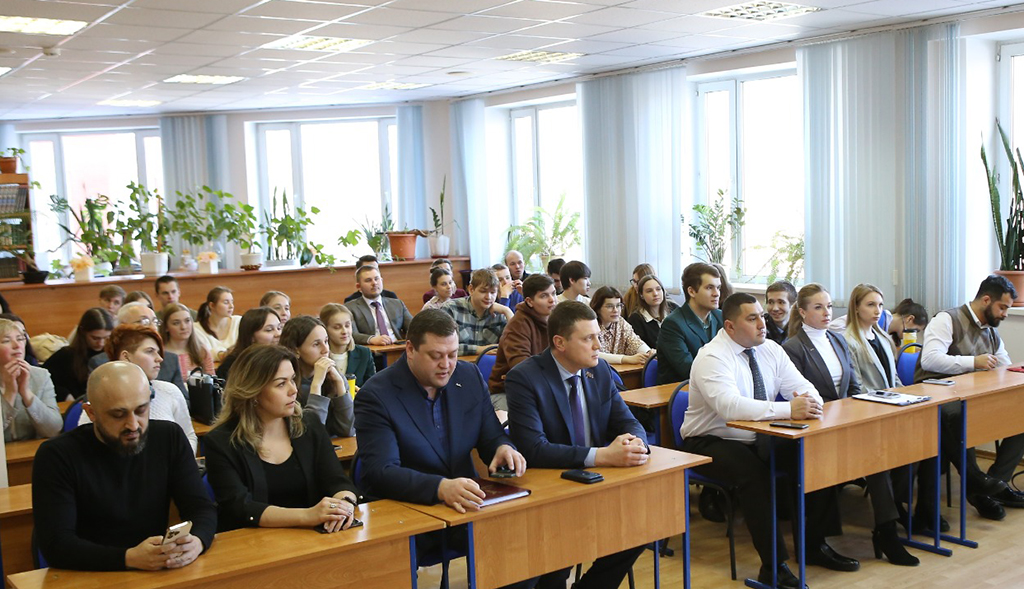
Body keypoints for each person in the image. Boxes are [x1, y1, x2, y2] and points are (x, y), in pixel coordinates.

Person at [353, 310, 532, 589]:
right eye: (436, 356)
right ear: (410, 349)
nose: (446, 365)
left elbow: (490, 435)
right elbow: (381, 472)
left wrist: (502, 447)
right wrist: (440, 488)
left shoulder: (468, 375)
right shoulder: (376, 395)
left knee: (530, 550)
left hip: (465, 505)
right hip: (405, 512)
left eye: (452, 354)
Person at [682, 293, 843, 588]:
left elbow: (803, 386)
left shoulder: (770, 349)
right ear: (730, 326)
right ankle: (774, 567)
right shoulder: (712, 356)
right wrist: (789, 409)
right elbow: (730, 408)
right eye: (752, 318)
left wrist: (812, 401)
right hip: (711, 439)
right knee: (754, 475)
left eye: (762, 316)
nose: (762, 324)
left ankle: (814, 545)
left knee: (815, 455)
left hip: (761, 435)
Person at [505, 301, 649, 589]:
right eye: (588, 339)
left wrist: (635, 444)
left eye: (598, 336)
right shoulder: (525, 377)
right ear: (560, 343)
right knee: (554, 569)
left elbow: (628, 422)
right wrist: (602, 456)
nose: (598, 345)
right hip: (550, 490)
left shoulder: (601, 371)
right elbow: (534, 448)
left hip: (596, 484)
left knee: (640, 527)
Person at [33, 362, 216, 571]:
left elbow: (201, 508)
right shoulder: (56, 455)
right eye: (118, 415)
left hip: (155, 569)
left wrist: (197, 541)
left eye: (141, 410)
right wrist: (128, 558)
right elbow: (57, 545)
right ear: (91, 413)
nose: (133, 425)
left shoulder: (169, 437)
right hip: (88, 574)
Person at [783, 284, 917, 567]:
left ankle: (887, 531)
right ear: (802, 312)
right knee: (873, 456)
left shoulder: (837, 339)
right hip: (816, 426)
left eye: (829, 307)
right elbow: (797, 394)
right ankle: (873, 535)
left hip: (845, 421)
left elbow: (854, 386)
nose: (826, 312)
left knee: (880, 455)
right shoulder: (793, 347)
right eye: (818, 307)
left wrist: (860, 413)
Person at [205, 345, 359, 533]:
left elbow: (337, 481)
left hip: (313, 537)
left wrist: (345, 504)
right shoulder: (220, 442)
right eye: (281, 384)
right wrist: (308, 515)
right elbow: (240, 507)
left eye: (292, 379)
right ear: (253, 391)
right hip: (253, 540)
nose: (293, 390)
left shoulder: (309, 424)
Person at [915, 274, 1024, 521]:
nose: (1005, 314)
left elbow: (1003, 364)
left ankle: (993, 485)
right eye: (1002, 307)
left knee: (1021, 414)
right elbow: (930, 359)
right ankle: (977, 483)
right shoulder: (947, 319)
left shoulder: (991, 330)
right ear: (986, 300)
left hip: (972, 398)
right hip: (937, 396)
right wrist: (973, 362)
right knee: (958, 415)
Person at [78, 325, 198, 455]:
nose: (159, 358)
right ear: (126, 357)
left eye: (158, 352)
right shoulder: (101, 395)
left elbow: (189, 436)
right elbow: (85, 447)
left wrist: (179, 462)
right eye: (150, 351)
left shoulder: (169, 391)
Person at [88, 302, 187, 398]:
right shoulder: (101, 363)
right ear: (123, 326)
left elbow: (184, 401)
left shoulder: (170, 360)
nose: (153, 327)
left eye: (155, 321)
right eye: (144, 321)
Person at [280, 316, 354, 438]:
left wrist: (340, 385)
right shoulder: (287, 385)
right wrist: (316, 385)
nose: (325, 350)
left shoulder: (334, 377)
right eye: (316, 344)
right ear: (296, 350)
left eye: (326, 341)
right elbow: (311, 436)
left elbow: (348, 430)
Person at [489, 274, 557, 403]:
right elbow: (523, 368)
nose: (552, 300)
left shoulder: (557, 320)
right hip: (508, 391)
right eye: (544, 296)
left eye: (553, 294)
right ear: (529, 301)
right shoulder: (517, 325)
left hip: (546, 385)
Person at [656, 262, 722, 385]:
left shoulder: (721, 317)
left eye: (718, 288)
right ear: (691, 291)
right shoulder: (673, 324)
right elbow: (688, 369)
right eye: (709, 288)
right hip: (682, 391)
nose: (716, 293)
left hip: (717, 385)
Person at [0, 318, 61, 442]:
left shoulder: (40, 375)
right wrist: (9, 394)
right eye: (6, 341)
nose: (17, 345)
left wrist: (26, 393)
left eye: (20, 339)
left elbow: (54, 429)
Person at [44, 307, 115, 401]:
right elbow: (43, 379)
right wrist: (64, 394)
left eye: (106, 338)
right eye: (95, 338)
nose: (101, 343)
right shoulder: (66, 355)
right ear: (83, 332)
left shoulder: (114, 353)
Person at [440, 268, 513, 356]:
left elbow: (516, 345)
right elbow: (442, 346)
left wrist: (507, 311)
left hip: (488, 364)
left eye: (493, 292)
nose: (488, 297)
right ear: (471, 289)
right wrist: (479, 349)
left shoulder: (500, 313)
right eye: (483, 291)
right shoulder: (451, 308)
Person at [347, 265, 413, 345]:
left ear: (381, 281)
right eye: (368, 280)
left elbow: (414, 327)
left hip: (398, 347)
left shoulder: (397, 304)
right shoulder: (350, 308)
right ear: (359, 287)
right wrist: (371, 339)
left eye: (376, 279)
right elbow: (351, 333)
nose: (374, 283)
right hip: (372, 349)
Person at [590, 286, 653, 365]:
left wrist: (648, 353)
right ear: (598, 308)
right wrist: (625, 359)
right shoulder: (590, 325)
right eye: (609, 306)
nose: (615, 310)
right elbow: (592, 353)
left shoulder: (620, 322)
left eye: (618, 305)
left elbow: (634, 341)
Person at [217, 307, 282, 381]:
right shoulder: (232, 365)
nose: (278, 334)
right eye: (269, 330)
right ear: (251, 337)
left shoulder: (283, 358)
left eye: (279, 328)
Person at [319, 303, 375, 388]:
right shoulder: (319, 356)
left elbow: (373, 386)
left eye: (347, 326)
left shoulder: (364, 353)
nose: (344, 331)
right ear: (325, 329)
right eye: (337, 327)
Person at [160, 303, 215, 378]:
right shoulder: (159, 352)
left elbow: (211, 379)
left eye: (187, 321)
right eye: (176, 323)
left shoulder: (201, 350)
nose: (183, 327)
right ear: (166, 327)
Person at [628, 274, 675, 349]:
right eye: (649, 291)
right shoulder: (636, 319)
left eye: (658, 289)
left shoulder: (674, 309)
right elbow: (640, 349)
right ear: (641, 295)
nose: (655, 294)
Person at [195, 286, 241, 362]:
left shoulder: (239, 321)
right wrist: (221, 355)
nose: (231, 306)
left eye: (232, 302)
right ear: (212, 305)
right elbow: (202, 354)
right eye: (226, 302)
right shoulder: (196, 329)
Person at [765, 280, 797, 344]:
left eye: (781, 302)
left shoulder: (802, 329)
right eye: (771, 302)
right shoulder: (760, 328)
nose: (775, 308)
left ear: (793, 305)